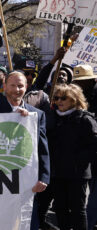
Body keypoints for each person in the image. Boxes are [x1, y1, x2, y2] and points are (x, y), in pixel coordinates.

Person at [0, 71, 51, 230]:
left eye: (20, 86)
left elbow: (42, 147)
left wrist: (44, 177)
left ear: (26, 87)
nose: (16, 89)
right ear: (4, 87)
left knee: (27, 220)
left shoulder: (37, 115)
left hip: (26, 179)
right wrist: (13, 117)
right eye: (12, 85)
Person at [45, 84, 97, 230]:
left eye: (64, 98)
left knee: (77, 211)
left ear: (74, 100)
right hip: (57, 173)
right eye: (56, 98)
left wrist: (78, 161)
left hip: (77, 174)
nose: (59, 101)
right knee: (60, 209)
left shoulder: (85, 119)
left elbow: (93, 146)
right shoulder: (53, 118)